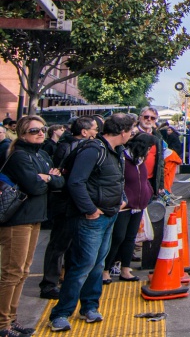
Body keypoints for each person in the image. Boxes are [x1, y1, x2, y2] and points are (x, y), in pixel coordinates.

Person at [49, 112, 135, 333]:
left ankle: (89, 306)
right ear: (122, 132)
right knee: (83, 265)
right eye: (130, 131)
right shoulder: (94, 150)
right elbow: (76, 182)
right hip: (93, 217)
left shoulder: (115, 152)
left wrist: (120, 200)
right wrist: (90, 210)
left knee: (96, 264)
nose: (131, 135)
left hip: (107, 214)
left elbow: (113, 180)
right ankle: (61, 313)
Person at [0, 116, 64, 337]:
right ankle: (2, 324)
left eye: (43, 129)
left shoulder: (42, 155)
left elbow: (59, 182)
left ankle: (11, 319)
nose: (40, 133)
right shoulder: (19, 157)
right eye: (34, 130)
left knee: (23, 272)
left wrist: (46, 178)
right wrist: (48, 178)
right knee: (12, 272)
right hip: (17, 221)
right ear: (22, 134)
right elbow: (35, 187)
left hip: (35, 218)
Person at [40, 117, 99, 300]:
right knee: (60, 244)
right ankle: (49, 284)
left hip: (71, 202)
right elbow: (65, 175)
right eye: (94, 129)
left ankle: (62, 280)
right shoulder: (70, 147)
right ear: (84, 132)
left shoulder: (76, 146)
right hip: (65, 202)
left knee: (70, 244)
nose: (96, 132)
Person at [102, 132, 155, 284]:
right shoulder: (122, 159)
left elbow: (144, 180)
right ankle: (106, 269)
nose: (150, 150)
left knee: (130, 238)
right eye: (149, 147)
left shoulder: (140, 161)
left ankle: (126, 268)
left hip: (139, 205)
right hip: (124, 206)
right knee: (118, 237)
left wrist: (148, 193)